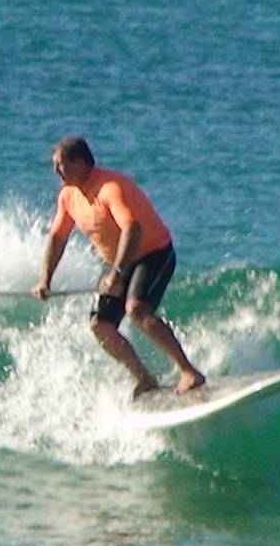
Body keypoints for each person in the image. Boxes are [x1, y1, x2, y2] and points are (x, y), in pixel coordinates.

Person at [32, 136, 207, 397]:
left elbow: (132, 229)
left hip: (154, 253)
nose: (56, 171)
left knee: (136, 309)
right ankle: (145, 378)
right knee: (100, 325)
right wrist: (45, 279)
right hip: (119, 261)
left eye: (61, 164)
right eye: (54, 165)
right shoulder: (68, 197)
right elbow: (58, 238)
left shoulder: (110, 187)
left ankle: (189, 372)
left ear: (80, 163)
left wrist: (117, 273)